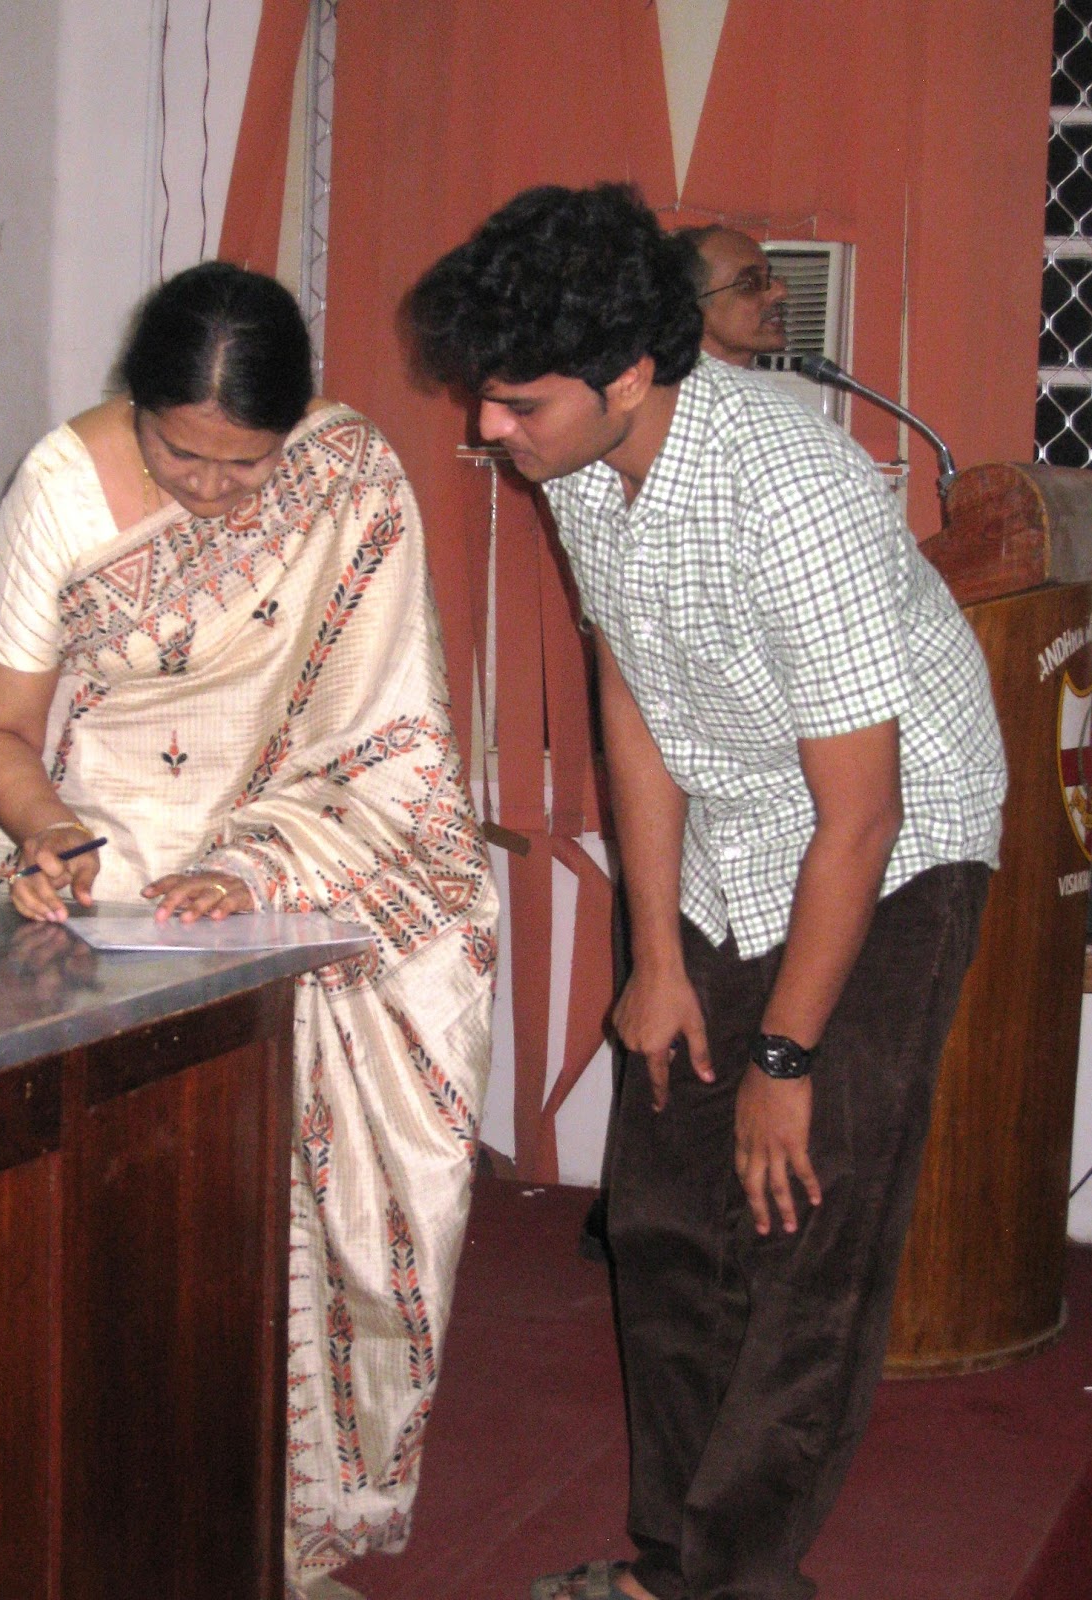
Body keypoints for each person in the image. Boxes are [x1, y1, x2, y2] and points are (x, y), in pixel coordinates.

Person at [406, 184, 1006, 1600]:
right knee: (666, 1217)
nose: (485, 428)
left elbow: (861, 817)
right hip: (727, 834)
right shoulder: (578, 467)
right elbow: (632, 693)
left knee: (802, 1230)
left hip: (894, 851)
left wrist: (786, 1059)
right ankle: (670, 1563)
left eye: (517, 402)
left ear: (629, 376)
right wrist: (656, 954)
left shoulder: (792, 491)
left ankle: (733, 1583)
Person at [0, 261, 498, 1600]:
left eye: (244, 468)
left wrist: (259, 863)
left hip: (301, 868)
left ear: (294, 428)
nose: (209, 490)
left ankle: (286, 1534)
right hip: (108, 883)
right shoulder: (57, 489)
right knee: (142, 1233)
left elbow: (388, 736)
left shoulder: (346, 475)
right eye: (179, 456)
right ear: (133, 407)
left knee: (309, 1209)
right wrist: (56, 833)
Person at [680, 224, 789, 368]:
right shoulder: (676, 382)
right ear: (695, 311)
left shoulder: (753, 381)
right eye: (750, 283)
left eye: (770, 277)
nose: (781, 292)